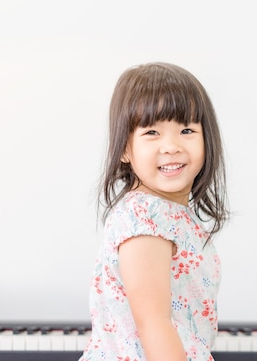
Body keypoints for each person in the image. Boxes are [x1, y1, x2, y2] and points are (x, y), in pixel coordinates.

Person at [79, 62, 229, 361]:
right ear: (124, 148)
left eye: (186, 129)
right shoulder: (145, 218)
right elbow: (154, 323)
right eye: (152, 132)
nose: (171, 146)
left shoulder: (169, 214)